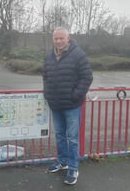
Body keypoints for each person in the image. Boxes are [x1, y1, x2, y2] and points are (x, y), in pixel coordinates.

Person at [43, 27, 93, 185]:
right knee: (59, 135)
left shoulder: (78, 54)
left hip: (71, 105)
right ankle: (62, 161)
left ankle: (73, 167)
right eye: (56, 38)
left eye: (61, 38)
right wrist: (47, 93)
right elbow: (45, 75)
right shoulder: (49, 56)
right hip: (55, 103)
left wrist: (75, 95)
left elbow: (87, 77)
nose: (58, 41)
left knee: (72, 138)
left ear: (68, 38)